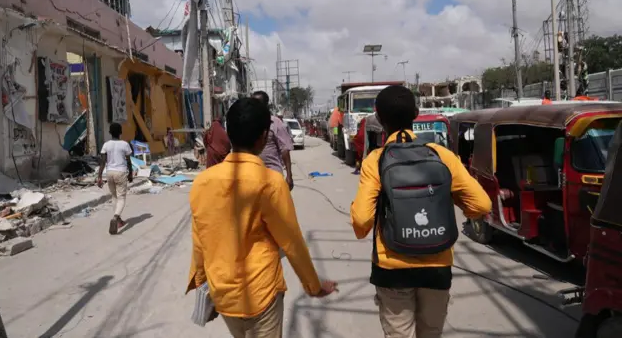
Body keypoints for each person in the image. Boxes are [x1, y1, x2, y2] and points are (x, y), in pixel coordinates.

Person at [186, 98, 337, 338]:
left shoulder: (202, 183)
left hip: (222, 294)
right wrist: (313, 286)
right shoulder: (269, 182)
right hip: (261, 294)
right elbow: (292, 242)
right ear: (264, 136)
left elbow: (200, 239)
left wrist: (203, 286)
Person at [350, 86, 492, 338]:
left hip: (391, 268)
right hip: (437, 265)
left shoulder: (376, 160)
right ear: (416, 114)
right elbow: (481, 205)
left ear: (379, 117)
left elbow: (362, 220)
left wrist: (362, 228)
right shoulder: (442, 156)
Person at [251, 91, 295, 190]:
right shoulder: (248, 123)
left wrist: (289, 175)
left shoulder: (276, 123)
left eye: (258, 103)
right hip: (253, 174)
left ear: (266, 105)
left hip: (273, 173)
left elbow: (284, 150)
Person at [97, 123, 134, 235]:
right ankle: (115, 217)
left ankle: (119, 221)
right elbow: (128, 161)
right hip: (121, 172)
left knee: (114, 196)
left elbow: (103, 162)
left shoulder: (106, 145)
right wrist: (130, 173)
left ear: (110, 132)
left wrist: (99, 176)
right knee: (121, 197)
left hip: (109, 172)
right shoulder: (125, 144)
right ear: (120, 132)